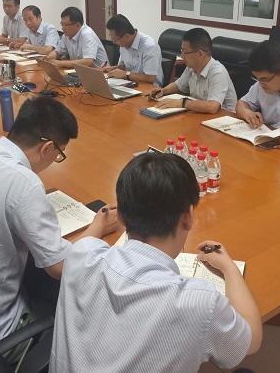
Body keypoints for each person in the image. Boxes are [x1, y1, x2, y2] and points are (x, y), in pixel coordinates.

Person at [0, 96, 121, 367]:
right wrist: (99, 226)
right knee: (85, 303)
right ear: (47, 148)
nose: (56, 160)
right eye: (59, 154)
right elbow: (60, 267)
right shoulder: (24, 183)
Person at [50, 153, 262, 372]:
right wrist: (229, 268)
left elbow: (85, 243)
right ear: (188, 217)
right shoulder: (198, 302)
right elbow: (252, 341)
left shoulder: (81, 254)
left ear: (121, 216)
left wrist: (99, 223)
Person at [150, 28, 237, 113]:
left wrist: (182, 103)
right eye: (182, 51)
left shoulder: (218, 72)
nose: (182, 56)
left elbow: (212, 107)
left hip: (224, 118)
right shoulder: (191, 67)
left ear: (200, 54)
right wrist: (163, 91)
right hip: (200, 113)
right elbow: (178, 85)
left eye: (185, 52)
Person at [103, 14, 163, 85]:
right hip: (129, 83)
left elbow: (150, 78)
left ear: (126, 36)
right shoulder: (123, 44)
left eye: (115, 40)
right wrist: (113, 69)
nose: (114, 43)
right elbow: (124, 67)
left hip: (149, 87)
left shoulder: (149, 46)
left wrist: (125, 74)